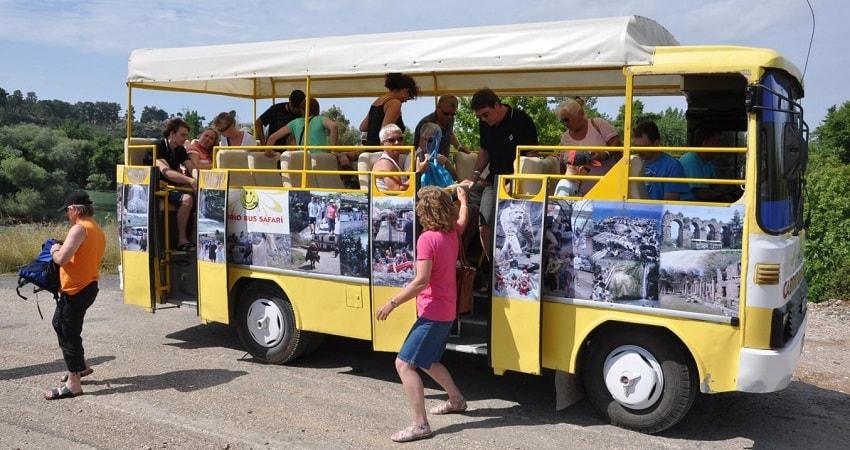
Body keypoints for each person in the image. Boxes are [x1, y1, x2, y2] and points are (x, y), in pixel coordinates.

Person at [376, 185, 470, 443]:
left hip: (432, 312)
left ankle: (420, 425)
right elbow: (463, 218)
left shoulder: (428, 239)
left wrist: (392, 303)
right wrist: (462, 200)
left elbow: (421, 281)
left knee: (404, 364)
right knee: (428, 361)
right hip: (446, 311)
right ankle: (456, 400)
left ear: (424, 212)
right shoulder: (453, 233)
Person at [463, 88, 538, 263]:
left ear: (497, 105)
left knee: (522, 229)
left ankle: (519, 264)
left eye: (485, 114)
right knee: (484, 223)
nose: (483, 120)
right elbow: (484, 151)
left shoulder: (522, 120)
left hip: (519, 186)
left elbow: (532, 155)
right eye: (480, 117)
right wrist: (474, 176)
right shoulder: (484, 124)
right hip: (494, 180)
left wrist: (516, 180)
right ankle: (493, 267)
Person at [43, 191, 106, 400]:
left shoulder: (79, 228)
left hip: (77, 289)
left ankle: (74, 383)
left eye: (67, 210)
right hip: (88, 286)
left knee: (67, 331)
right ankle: (82, 367)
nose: (66, 215)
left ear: (75, 209)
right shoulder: (95, 228)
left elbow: (61, 259)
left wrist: (54, 249)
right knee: (60, 324)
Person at [145, 117, 196, 251]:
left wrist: (198, 178)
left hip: (171, 187)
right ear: (172, 134)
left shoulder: (180, 149)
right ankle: (182, 240)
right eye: (182, 135)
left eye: (186, 135)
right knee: (187, 199)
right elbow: (166, 172)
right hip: (156, 188)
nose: (185, 138)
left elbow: (191, 167)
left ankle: (196, 238)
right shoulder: (158, 147)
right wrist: (191, 181)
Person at [557, 97, 622, 195]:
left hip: (608, 187)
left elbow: (616, 142)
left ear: (579, 115)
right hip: (580, 193)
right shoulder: (565, 138)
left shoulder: (598, 124)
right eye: (562, 121)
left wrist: (605, 154)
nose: (564, 124)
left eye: (566, 120)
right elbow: (563, 163)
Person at [633, 120, 689, 201]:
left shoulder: (672, 166)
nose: (639, 151)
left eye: (643, 147)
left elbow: (670, 204)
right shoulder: (631, 162)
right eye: (635, 146)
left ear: (656, 143)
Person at [679, 126, 739, 202]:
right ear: (705, 142)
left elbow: (714, 185)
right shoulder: (691, 161)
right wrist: (725, 198)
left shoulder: (707, 162)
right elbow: (701, 194)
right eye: (717, 141)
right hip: (689, 208)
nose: (720, 146)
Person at [360, 73, 419, 146]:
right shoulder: (395, 103)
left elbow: (362, 127)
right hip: (381, 151)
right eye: (409, 96)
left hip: (369, 149)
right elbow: (385, 132)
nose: (406, 100)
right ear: (405, 90)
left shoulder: (378, 100)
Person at [373, 124, 420, 191]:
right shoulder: (385, 163)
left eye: (400, 139)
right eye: (391, 140)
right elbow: (397, 191)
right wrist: (418, 173)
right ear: (382, 144)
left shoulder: (394, 161)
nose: (397, 142)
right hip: (389, 200)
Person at [416, 122, 459, 188]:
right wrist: (419, 171)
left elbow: (456, 178)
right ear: (420, 139)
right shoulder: (414, 157)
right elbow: (407, 185)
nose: (428, 143)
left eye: (431, 140)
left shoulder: (438, 157)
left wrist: (447, 163)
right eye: (425, 139)